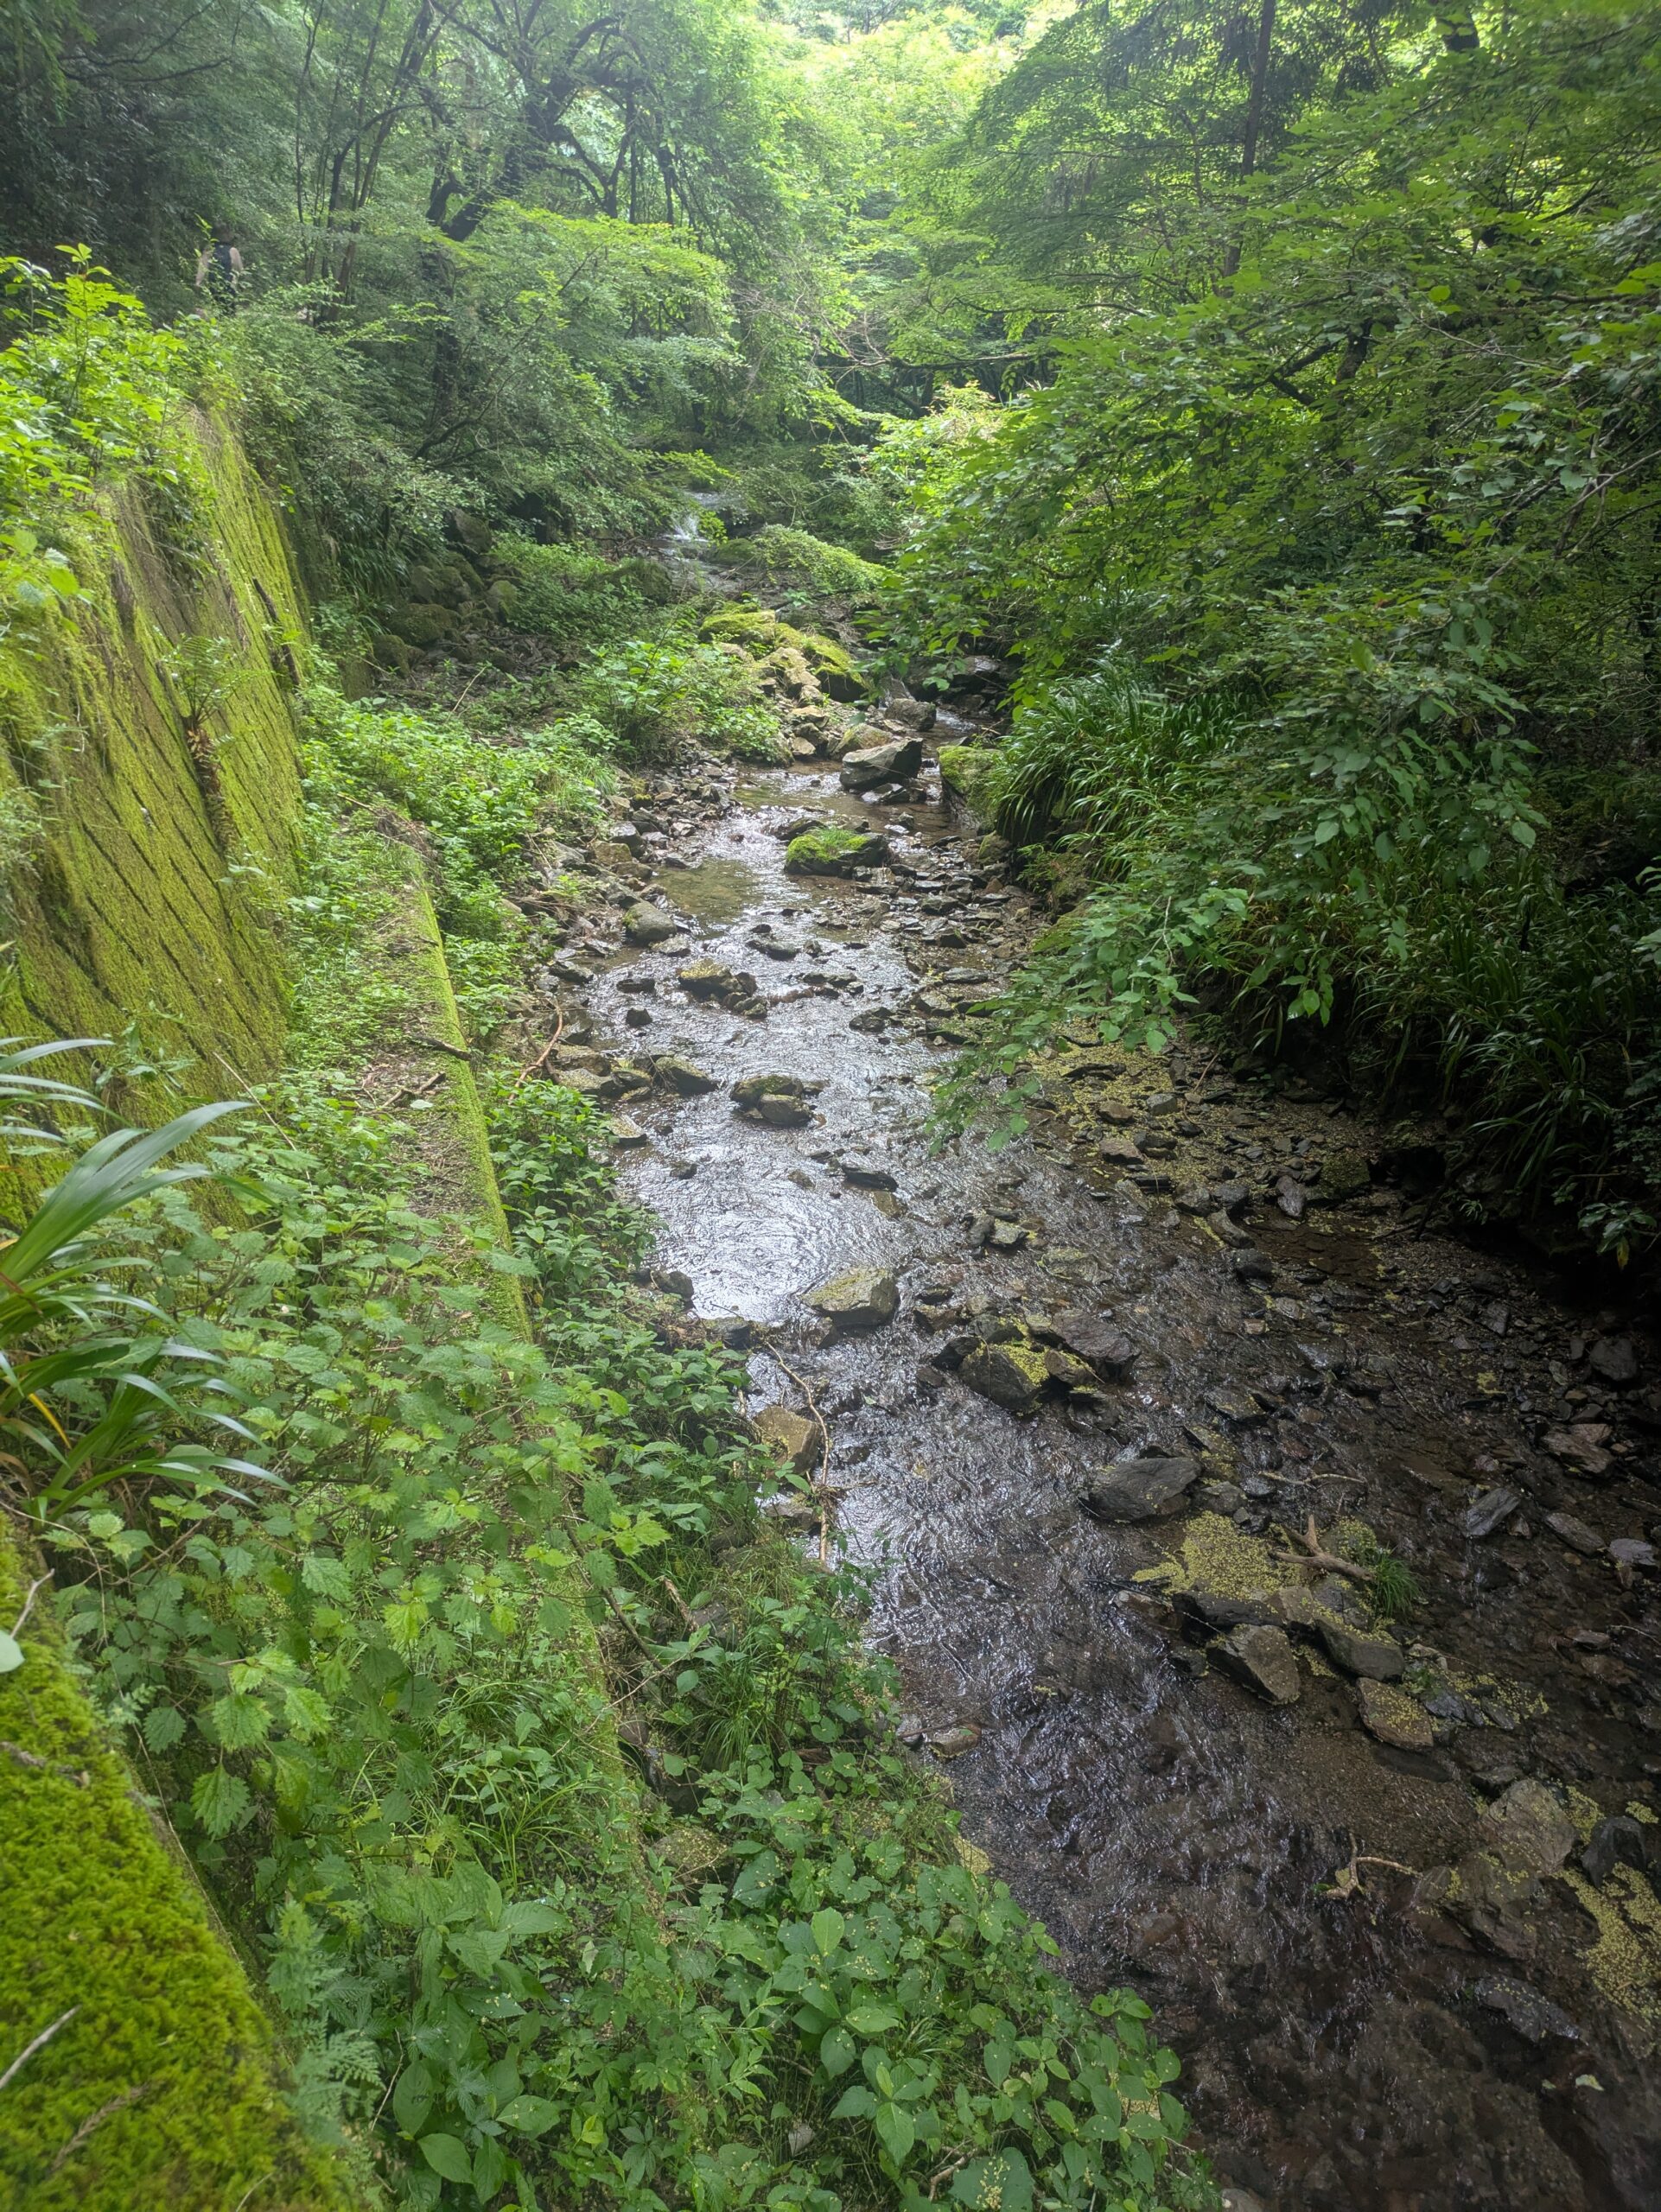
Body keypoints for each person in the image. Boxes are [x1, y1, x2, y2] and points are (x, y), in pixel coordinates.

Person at [194, 224, 245, 309]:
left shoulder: (209, 249)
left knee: (213, 311)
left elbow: (202, 267)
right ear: (228, 234)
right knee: (229, 313)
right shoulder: (233, 251)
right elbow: (241, 270)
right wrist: (241, 285)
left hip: (212, 288)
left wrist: (198, 282)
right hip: (230, 288)